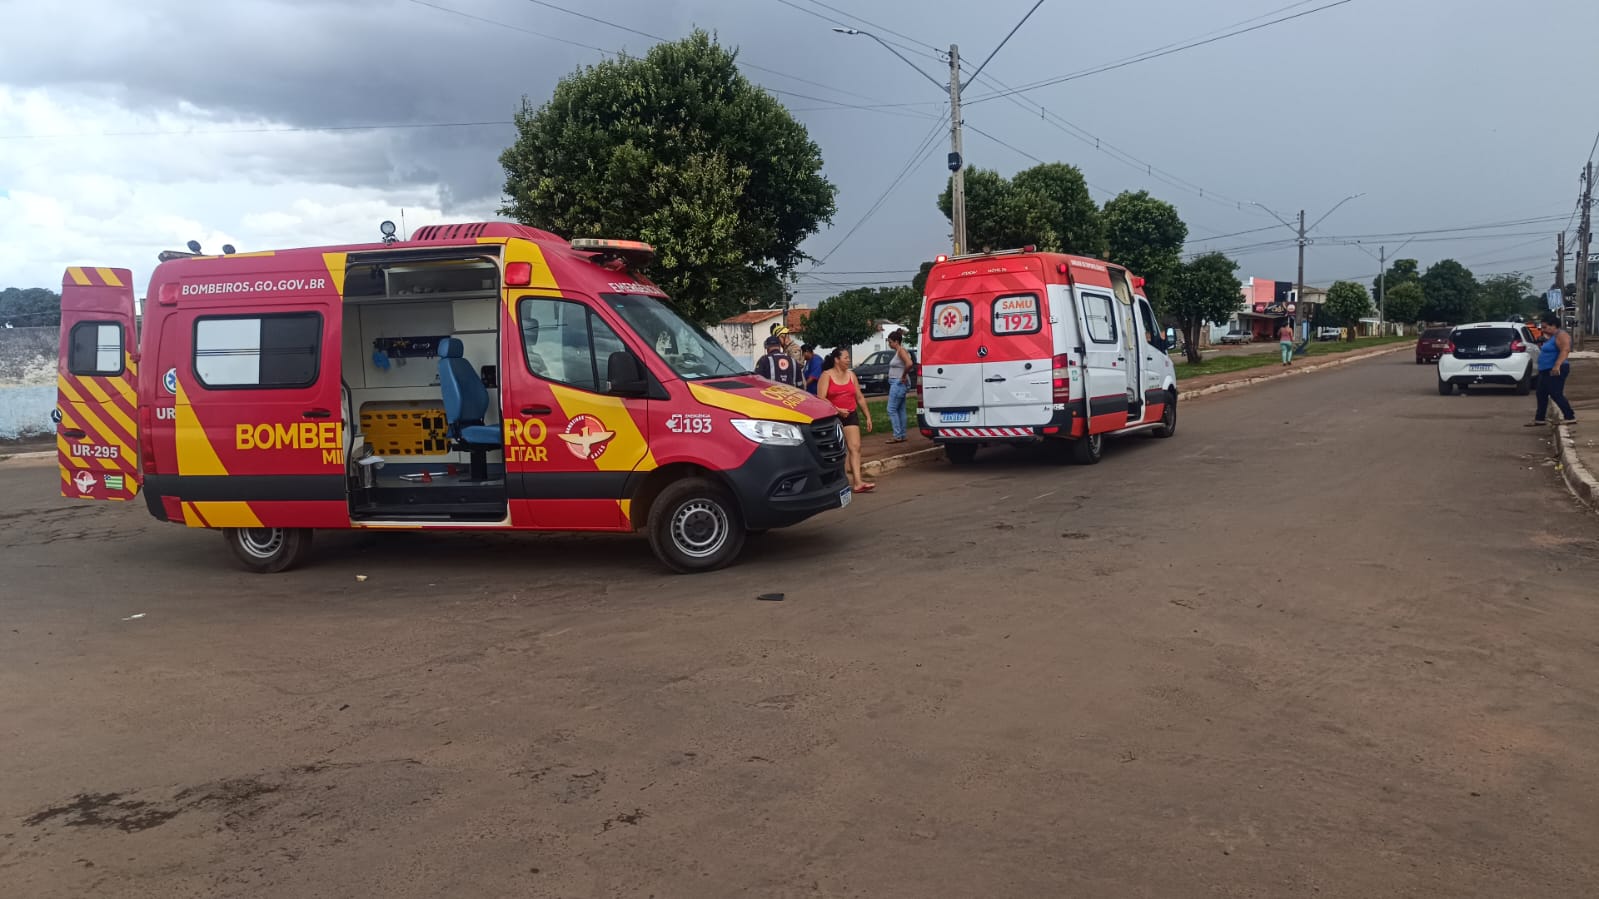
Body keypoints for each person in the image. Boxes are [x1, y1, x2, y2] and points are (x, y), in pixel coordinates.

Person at [819, 348, 875, 493]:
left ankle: (858, 482)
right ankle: (836, 482)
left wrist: (868, 416)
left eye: (849, 357)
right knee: (836, 450)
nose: (848, 360)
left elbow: (859, 397)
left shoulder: (851, 375)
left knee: (855, 447)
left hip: (850, 414)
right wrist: (837, 410)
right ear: (837, 360)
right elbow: (821, 398)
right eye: (845, 358)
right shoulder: (826, 375)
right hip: (833, 417)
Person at [1527, 310, 1577, 426]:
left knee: (1555, 393)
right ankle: (1539, 419)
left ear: (1553, 325)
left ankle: (1570, 416)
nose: (1543, 330)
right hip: (1545, 370)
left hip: (1555, 369)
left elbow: (1565, 350)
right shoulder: (1552, 337)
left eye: (1545, 327)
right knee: (1541, 393)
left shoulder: (1561, 335)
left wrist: (1557, 365)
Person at [885, 329, 914, 443]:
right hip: (899, 383)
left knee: (891, 409)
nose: (889, 344)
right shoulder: (900, 351)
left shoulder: (901, 351)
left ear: (896, 341)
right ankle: (902, 434)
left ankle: (897, 435)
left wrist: (903, 375)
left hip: (898, 383)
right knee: (900, 409)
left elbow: (909, 364)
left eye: (890, 342)